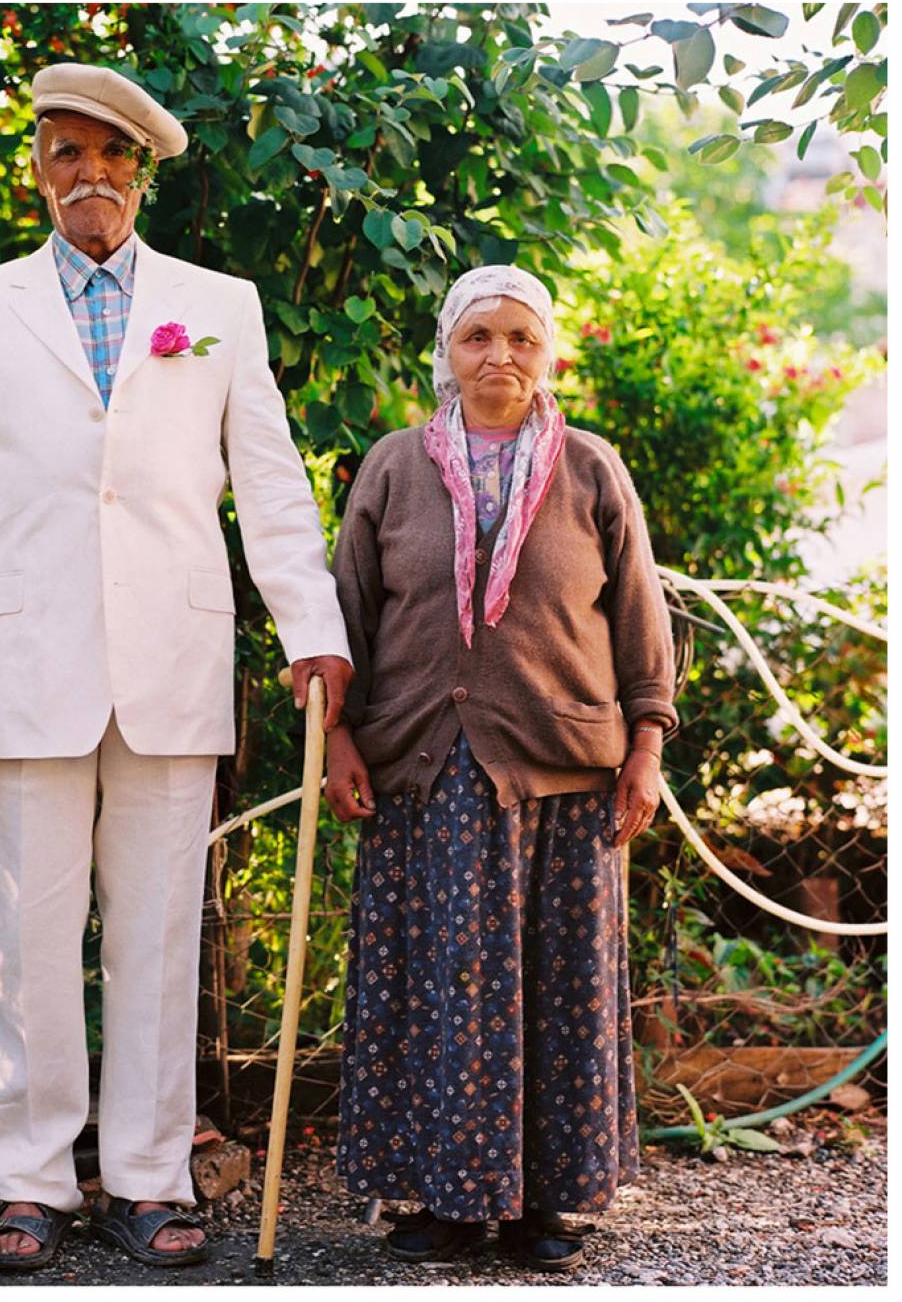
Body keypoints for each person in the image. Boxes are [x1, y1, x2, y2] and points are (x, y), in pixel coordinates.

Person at [0, 62, 353, 1271]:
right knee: (28, 939)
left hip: (172, 660)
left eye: (108, 155)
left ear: (139, 169)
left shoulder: (220, 303)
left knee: (156, 937)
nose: (85, 175)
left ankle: (148, 1179)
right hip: (22, 663)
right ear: (37, 168)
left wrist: (311, 628)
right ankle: (33, 1183)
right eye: (63, 154)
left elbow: (266, 482)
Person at [326, 264, 677, 1273]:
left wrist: (644, 743)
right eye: (478, 335)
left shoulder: (591, 469)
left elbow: (638, 621)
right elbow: (344, 614)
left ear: (547, 351)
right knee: (436, 986)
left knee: (557, 992)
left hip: (564, 773)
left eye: (520, 337)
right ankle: (440, 1201)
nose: (500, 356)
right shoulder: (392, 467)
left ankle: (544, 1208)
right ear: (447, 351)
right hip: (422, 772)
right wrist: (337, 735)